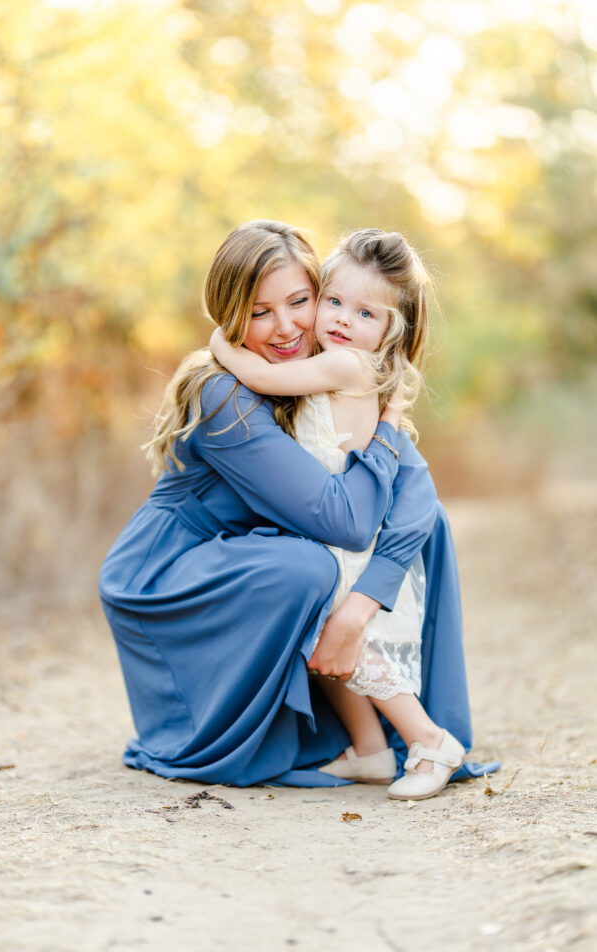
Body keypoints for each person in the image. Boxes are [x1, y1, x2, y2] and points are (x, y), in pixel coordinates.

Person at [99, 220, 496, 788]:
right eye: (259, 312)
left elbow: (418, 496)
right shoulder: (224, 393)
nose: (286, 327)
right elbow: (350, 521)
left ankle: (375, 739)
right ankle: (376, 732)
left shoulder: (325, 366)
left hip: (255, 557)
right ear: (230, 314)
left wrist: (362, 607)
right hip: (173, 569)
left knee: (420, 527)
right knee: (311, 564)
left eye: (299, 302)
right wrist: (386, 424)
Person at [210, 228, 464, 799]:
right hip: (328, 531)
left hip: (352, 539)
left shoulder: (348, 366)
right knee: (326, 643)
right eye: (334, 301)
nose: (344, 319)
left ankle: (430, 742)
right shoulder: (332, 362)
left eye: (366, 312)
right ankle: (371, 750)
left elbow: (263, 376)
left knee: (347, 647)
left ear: (390, 331)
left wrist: (222, 345)